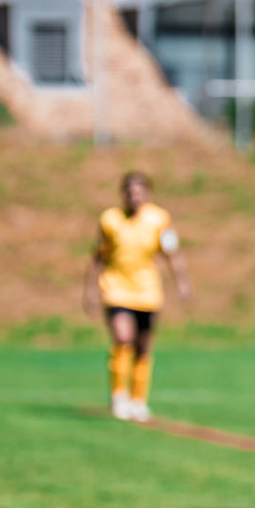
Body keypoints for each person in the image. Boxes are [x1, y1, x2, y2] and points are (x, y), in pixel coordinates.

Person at [83, 172, 190, 422]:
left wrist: (182, 282)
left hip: (148, 291)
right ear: (123, 194)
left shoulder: (159, 219)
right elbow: (98, 256)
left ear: (148, 194)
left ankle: (138, 400)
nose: (135, 196)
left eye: (140, 191)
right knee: (123, 338)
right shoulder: (110, 220)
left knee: (143, 347)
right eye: (130, 192)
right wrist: (89, 289)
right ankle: (119, 396)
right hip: (116, 288)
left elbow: (171, 253)